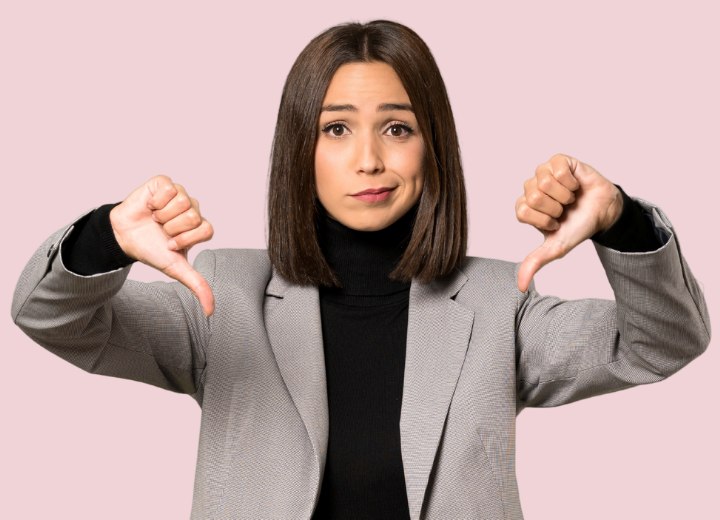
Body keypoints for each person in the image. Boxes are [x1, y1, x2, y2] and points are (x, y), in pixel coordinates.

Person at [11, 20, 710, 520]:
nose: (369, 159)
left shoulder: (502, 303)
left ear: (431, 147)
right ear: (300, 149)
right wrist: (104, 237)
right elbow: (52, 317)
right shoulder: (221, 295)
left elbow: (660, 341)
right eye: (336, 128)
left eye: (398, 128)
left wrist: (621, 219)